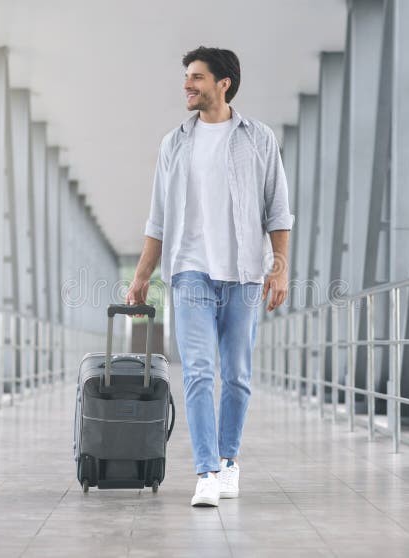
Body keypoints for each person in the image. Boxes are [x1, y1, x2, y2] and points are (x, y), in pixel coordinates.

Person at [126, 46, 293, 507]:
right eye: (186, 77)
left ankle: (229, 460)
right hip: (190, 272)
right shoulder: (174, 142)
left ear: (223, 84)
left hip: (243, 274)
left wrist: (279, 268)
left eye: (196, 78)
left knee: (237, 375)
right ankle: (206, 471)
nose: (187, 85)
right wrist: (141, 278)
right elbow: (158, 221)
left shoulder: (259, 138)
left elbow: (277, 211)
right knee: (199, 371)